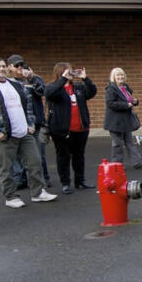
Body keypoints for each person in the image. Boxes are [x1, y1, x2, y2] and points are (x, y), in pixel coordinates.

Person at [0, 56, 57, 208]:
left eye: (3, 66)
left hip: (24, 133)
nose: (1, 69)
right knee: (6, 168)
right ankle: (11, 197)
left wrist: (30, 124)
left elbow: (28, 104)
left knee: (35, 162)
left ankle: (38, 193)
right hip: (3, 136)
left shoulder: (16, 84)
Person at [45, 63, 97, 194]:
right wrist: (62, 80)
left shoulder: (78, 87)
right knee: (63, 156)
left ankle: (80, 180)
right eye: (65, 71)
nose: (69, 74)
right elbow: (49, 94)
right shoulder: (54, 87)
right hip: (62, 130)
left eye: (70, 71)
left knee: (79, 156)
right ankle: (65, 183)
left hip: (80, 128)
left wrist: (85, 78)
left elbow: (92, 92)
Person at [7, 55, 52, 189]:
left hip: (36, 123)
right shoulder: (7, 82)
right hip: (17, 124)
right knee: (16, 156)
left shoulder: (34, 78)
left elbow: (42, 92)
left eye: (21, 64)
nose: (20, 68)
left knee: (38, 155)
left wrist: (31, 78)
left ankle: (43, 179)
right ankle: (20, 179)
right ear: (9, 66)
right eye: (16, 65)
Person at [104, 68, 142, 170]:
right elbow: (110, 103)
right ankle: (116, 165)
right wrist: (126, 105)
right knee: (117, 144)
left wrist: (135, 101)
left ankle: (137, 161)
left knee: (129, 142)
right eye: (118, 76)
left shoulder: (125, 87)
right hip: (115, 122)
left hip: (125, 120)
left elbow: (130, 99)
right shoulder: (110, 89)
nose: (120, 77)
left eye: (121, 75)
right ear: (113, 77)